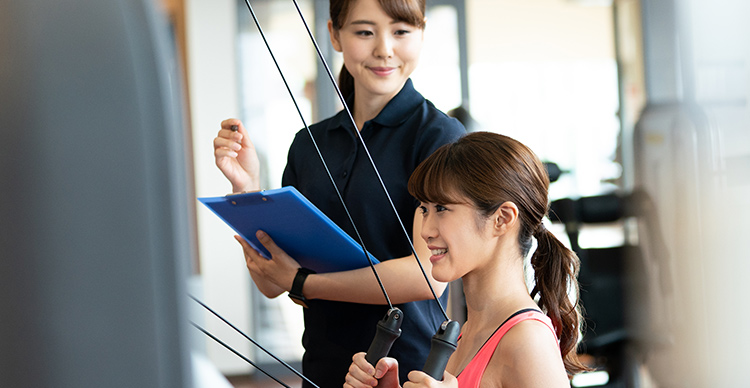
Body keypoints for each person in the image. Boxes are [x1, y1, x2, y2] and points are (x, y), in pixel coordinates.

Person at [212, 0, 466, 386]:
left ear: (422, 32)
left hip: (402, 371)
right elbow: (270, 282)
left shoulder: (439, 138)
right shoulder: (308, 144)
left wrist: (304, 283)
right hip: (322, 369)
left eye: (401, 32)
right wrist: (245, 188)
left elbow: (427, 275)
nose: (384, 49)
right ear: (334, 34)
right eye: (365, 32)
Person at [344, 132, 588, 388]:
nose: (426, 230)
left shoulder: (528, 339)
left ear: (502, 219)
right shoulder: (467, 334)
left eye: (442, 208)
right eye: (424, 210)